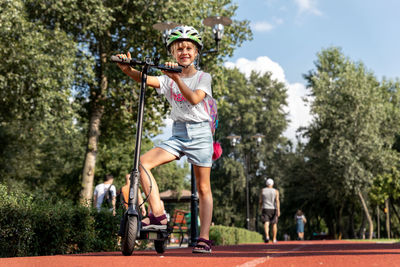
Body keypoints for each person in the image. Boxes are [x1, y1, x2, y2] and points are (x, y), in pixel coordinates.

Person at [116, 25, 214, 253]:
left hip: (201, 133)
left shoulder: (203, 77)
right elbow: (143, 78)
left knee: (203, 187)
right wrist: (126, 69)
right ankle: (158, 214)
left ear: (196, 52)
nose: (184, 52)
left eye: (189, 48)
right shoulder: (166, 79)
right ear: (172, 53)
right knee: (141, 164)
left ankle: (204, 238)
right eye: (178, 49)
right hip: (179, 133)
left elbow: (193, 100)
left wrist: (177, 79)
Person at [259, 178, 280, 243]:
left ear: (266, 184)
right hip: (273, 209)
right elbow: (277, 201)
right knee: (274, 224)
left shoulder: (263, 190)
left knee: (266, 223)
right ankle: (274, 239)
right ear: (273, 184)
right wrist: (278, 210)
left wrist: (260, 208)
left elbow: (260, 201)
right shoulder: (276, 191)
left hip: (265, 208)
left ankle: (267, 236)